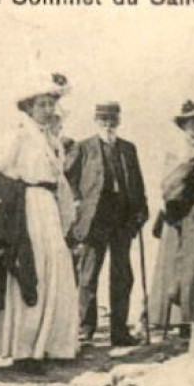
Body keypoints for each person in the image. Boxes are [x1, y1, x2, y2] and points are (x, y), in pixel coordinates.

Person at [0, 72, 80, 364]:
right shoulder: (20, 135)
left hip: (49, 206)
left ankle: (50, 344)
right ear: (28, 107)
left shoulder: (52, 140)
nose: (49, 110)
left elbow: (60, 180)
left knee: (54, 268)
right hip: (29, 206)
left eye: (51, 104)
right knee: (30, 269)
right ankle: (25, 349)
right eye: (42, 104)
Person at [64, 101, 148, 346]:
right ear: (96, 120)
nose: (108, 123)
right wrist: (77, 204)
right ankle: (85, 329)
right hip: (95, 219)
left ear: (119, 120)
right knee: (89, 274)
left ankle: (119, 332)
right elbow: (68, 180)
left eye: (112, 119)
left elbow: (138, 183)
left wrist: (141, 210)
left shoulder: (128, 149)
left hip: (122, 217)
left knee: (122, 275)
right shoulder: (84, 147)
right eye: (103, 119)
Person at [149, 100, 194, 337]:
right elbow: (168, 184)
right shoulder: (176, 150)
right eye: (193, 121)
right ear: (184, 124)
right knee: (176, 265)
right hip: (178, 211)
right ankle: (174, 319)